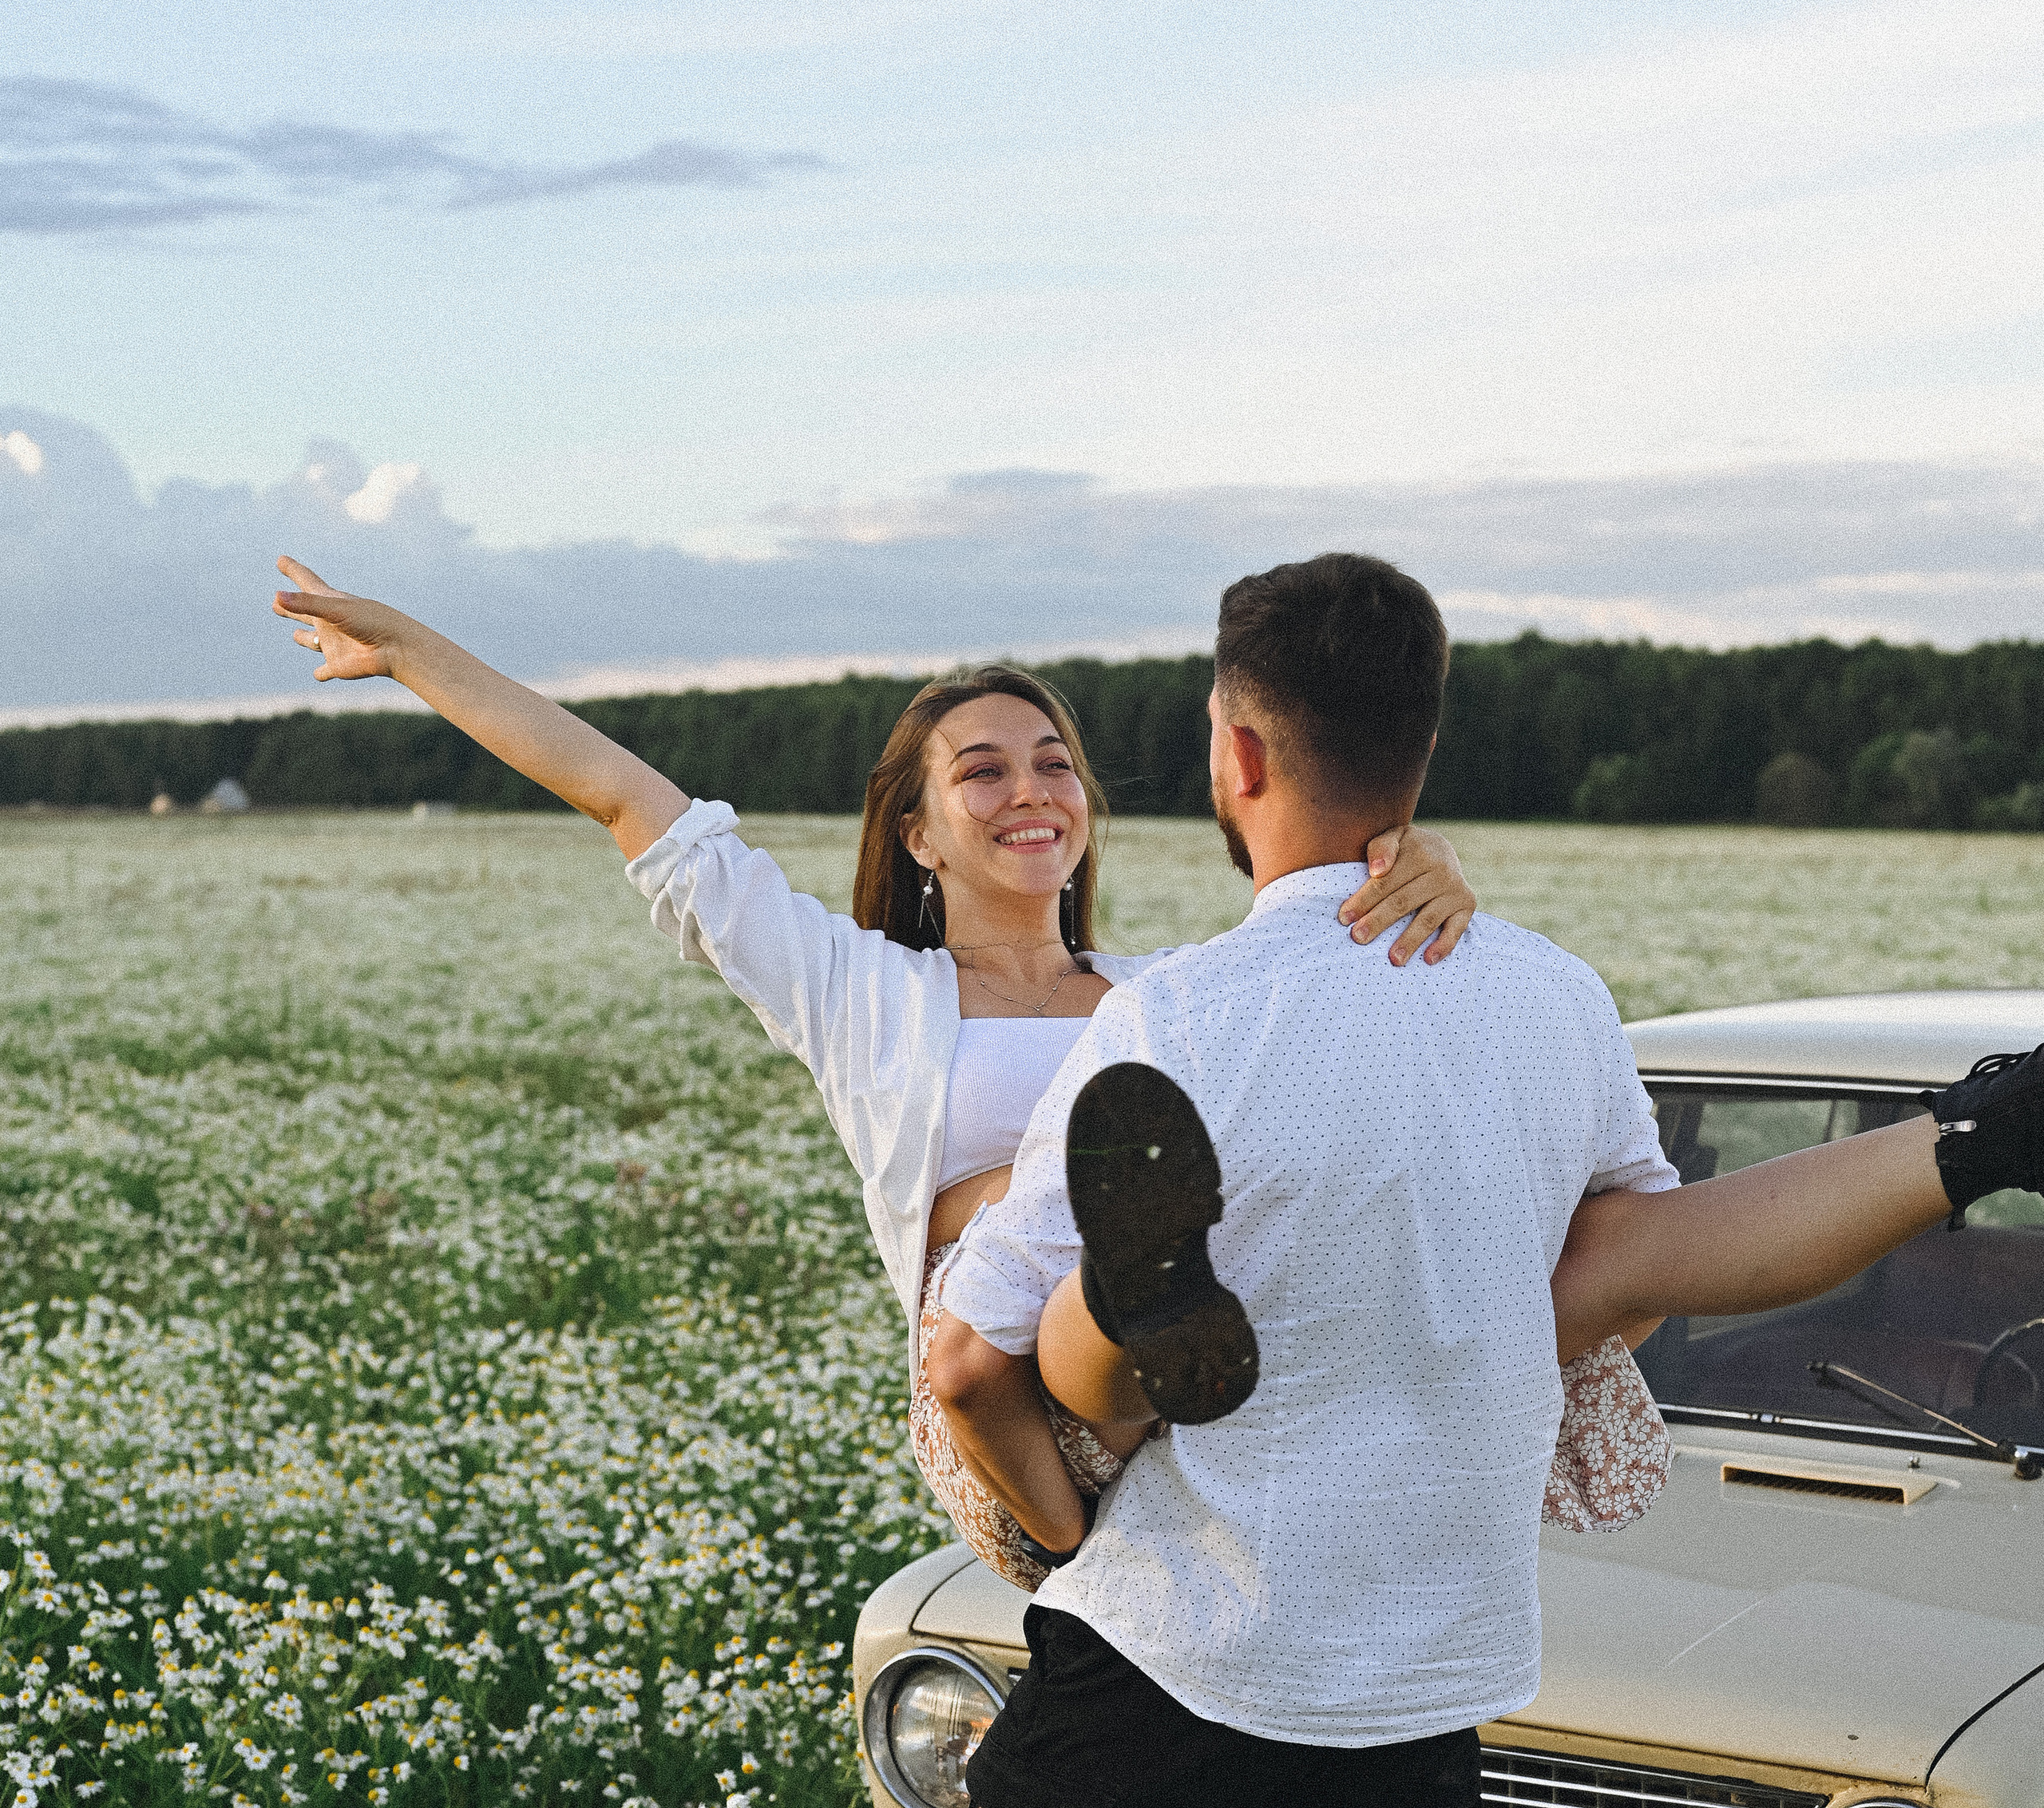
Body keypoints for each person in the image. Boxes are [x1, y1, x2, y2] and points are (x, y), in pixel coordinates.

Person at [919, 550, 2044, 1808]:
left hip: (1181, 1624)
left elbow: (964, 1366)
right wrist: (1956, 1144)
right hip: (1419, 1648)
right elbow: (1646, 1266)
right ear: (1421, 757)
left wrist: (1056, 1545)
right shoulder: (1541, 997)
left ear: (1231, 751)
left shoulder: (1181, 1015)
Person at [269, 562, 1477, 1584]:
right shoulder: (867, 998)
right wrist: (412, 652)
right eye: (983, 771)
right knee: (1083, 1216)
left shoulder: (1165, 988)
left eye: (1054, 764)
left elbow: (1326, 937)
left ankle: (1156, 1325)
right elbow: (623, 796)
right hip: (1011, 1419)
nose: (1031, 792)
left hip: (1200, 1406)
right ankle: (1096, 1432)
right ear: (916, 833)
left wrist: (1416, 861)